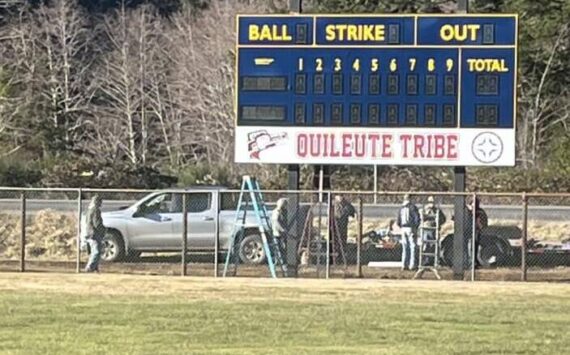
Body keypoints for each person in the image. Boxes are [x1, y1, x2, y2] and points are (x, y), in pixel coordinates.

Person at [420, 196, 446, 266]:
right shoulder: (424, 209)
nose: (431, 203)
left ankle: (434, 261)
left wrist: (438, 223)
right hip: (426, 229)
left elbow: (443, 219)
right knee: (426, 245)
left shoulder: (437, 210)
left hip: (434, 229)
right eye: (430, 202)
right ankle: (425, 261)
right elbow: (421, 218)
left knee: (434, 245)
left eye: (432, 202)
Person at [397, 194, 420, 270]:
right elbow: (417, 218)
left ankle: (404, 264)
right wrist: (416, 226)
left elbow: (398, 220)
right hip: (411, 228)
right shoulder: (413, 207)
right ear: (410, 199)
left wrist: (401, 226)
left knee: (405, 246)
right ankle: (412, 265)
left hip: (403, 228)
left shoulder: (401, 208)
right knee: (413, 246)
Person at [464, 196, 488, 268]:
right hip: (467, 231)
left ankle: (474, 262)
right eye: (473, 203)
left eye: (476, 203)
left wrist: (480, 225)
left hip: (476, 232)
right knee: (467, 247)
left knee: (474, 246)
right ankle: (468, 262)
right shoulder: (466, 211)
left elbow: (482, 223)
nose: (474, 205)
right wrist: (469, 210)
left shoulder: (480, 212)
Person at [84, 195, 106, 273]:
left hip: (88, 232)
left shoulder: (89, 210)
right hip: (94, 233)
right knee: (96, 251)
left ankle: (95, 267)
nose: (101, 204)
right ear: (96, 202)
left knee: (94, 251)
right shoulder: (96, 210)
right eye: (100, 202)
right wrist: (103, 230)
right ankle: (90, 268)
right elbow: (97, 223)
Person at [332, 195, 356, 263]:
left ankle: (341, 257)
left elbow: (352, 212)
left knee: (342, 241)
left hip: (343, 226)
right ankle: (335, 257)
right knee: (335, 242)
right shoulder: (333, 204)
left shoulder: (346, 204)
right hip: (334, 226)